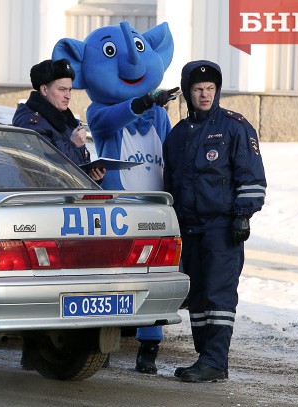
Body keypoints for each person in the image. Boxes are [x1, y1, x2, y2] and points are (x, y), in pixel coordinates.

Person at [52, 20, 180, 374]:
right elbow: (110, 120)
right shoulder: (97, 111)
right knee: (111, 277)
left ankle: (149, 346)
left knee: (154, 277)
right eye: (111, 54)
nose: (131, 65)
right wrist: (141, 102)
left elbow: (170, 151)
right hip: (119, 212)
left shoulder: (159, 115)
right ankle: (100, 344)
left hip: (156, 207)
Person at [163, 60, 267, 382]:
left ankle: (214, 360)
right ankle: (207, 359)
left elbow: (252, 177)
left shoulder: (235, 127)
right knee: (198, 296)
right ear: (187, 92)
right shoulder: (177, 135)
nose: (205, 94)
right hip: (190, 228)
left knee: (219, 295)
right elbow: (172, 184)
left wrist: (242, 215)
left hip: (222, 228)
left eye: (210, 89)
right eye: (198, 89)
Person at [12, 58, 105, 182]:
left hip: (70, 196)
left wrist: (92, 177)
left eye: (70, 89)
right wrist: (73, 145)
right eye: (62, 89)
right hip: (47, 198)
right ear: (44, 90)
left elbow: (77, 167)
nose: (68, 96)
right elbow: (45, 169)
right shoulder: (30, 122)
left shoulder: (66, 119)